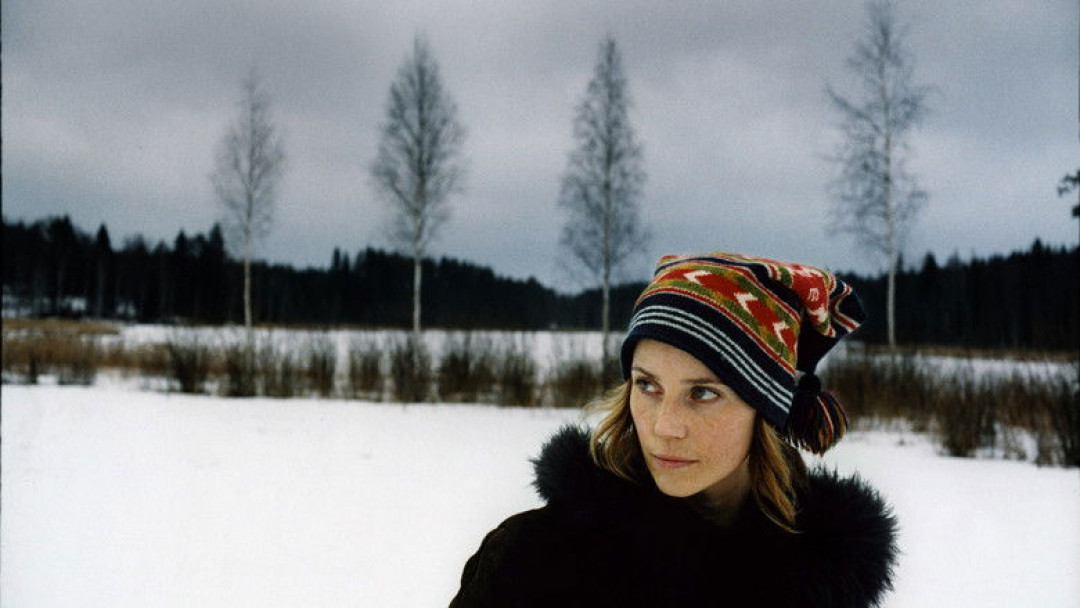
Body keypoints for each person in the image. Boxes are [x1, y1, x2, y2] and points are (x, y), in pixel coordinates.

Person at [451, 252, 898, 607]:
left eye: (702, 393)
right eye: (648, 386)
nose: (664, 427)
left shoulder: (820, 583)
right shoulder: (537, 560)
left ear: (767, 410)